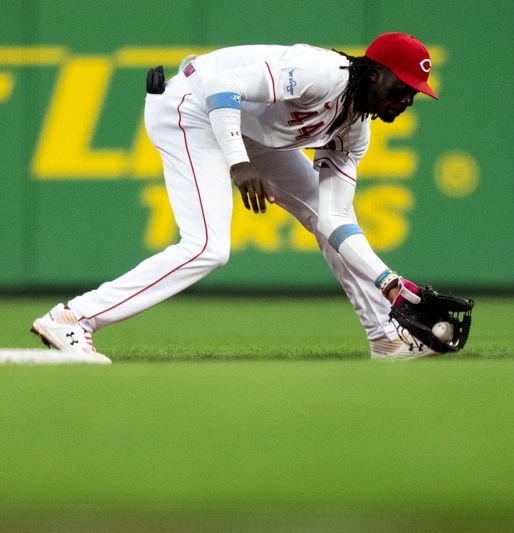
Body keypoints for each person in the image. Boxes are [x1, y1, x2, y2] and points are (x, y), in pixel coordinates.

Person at [31, 32, 440, 361]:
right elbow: (223, 86)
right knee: (208, 247)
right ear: (374, 74)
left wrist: (387, 280)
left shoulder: (354, 133)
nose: (407, 99)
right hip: (190, 107)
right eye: (402, 86)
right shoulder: (324, 73)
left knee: (319, 211)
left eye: (414, 93)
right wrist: (238, 164)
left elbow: (335, 219)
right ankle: (72, 318)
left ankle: (386, 338)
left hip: (242, 127)